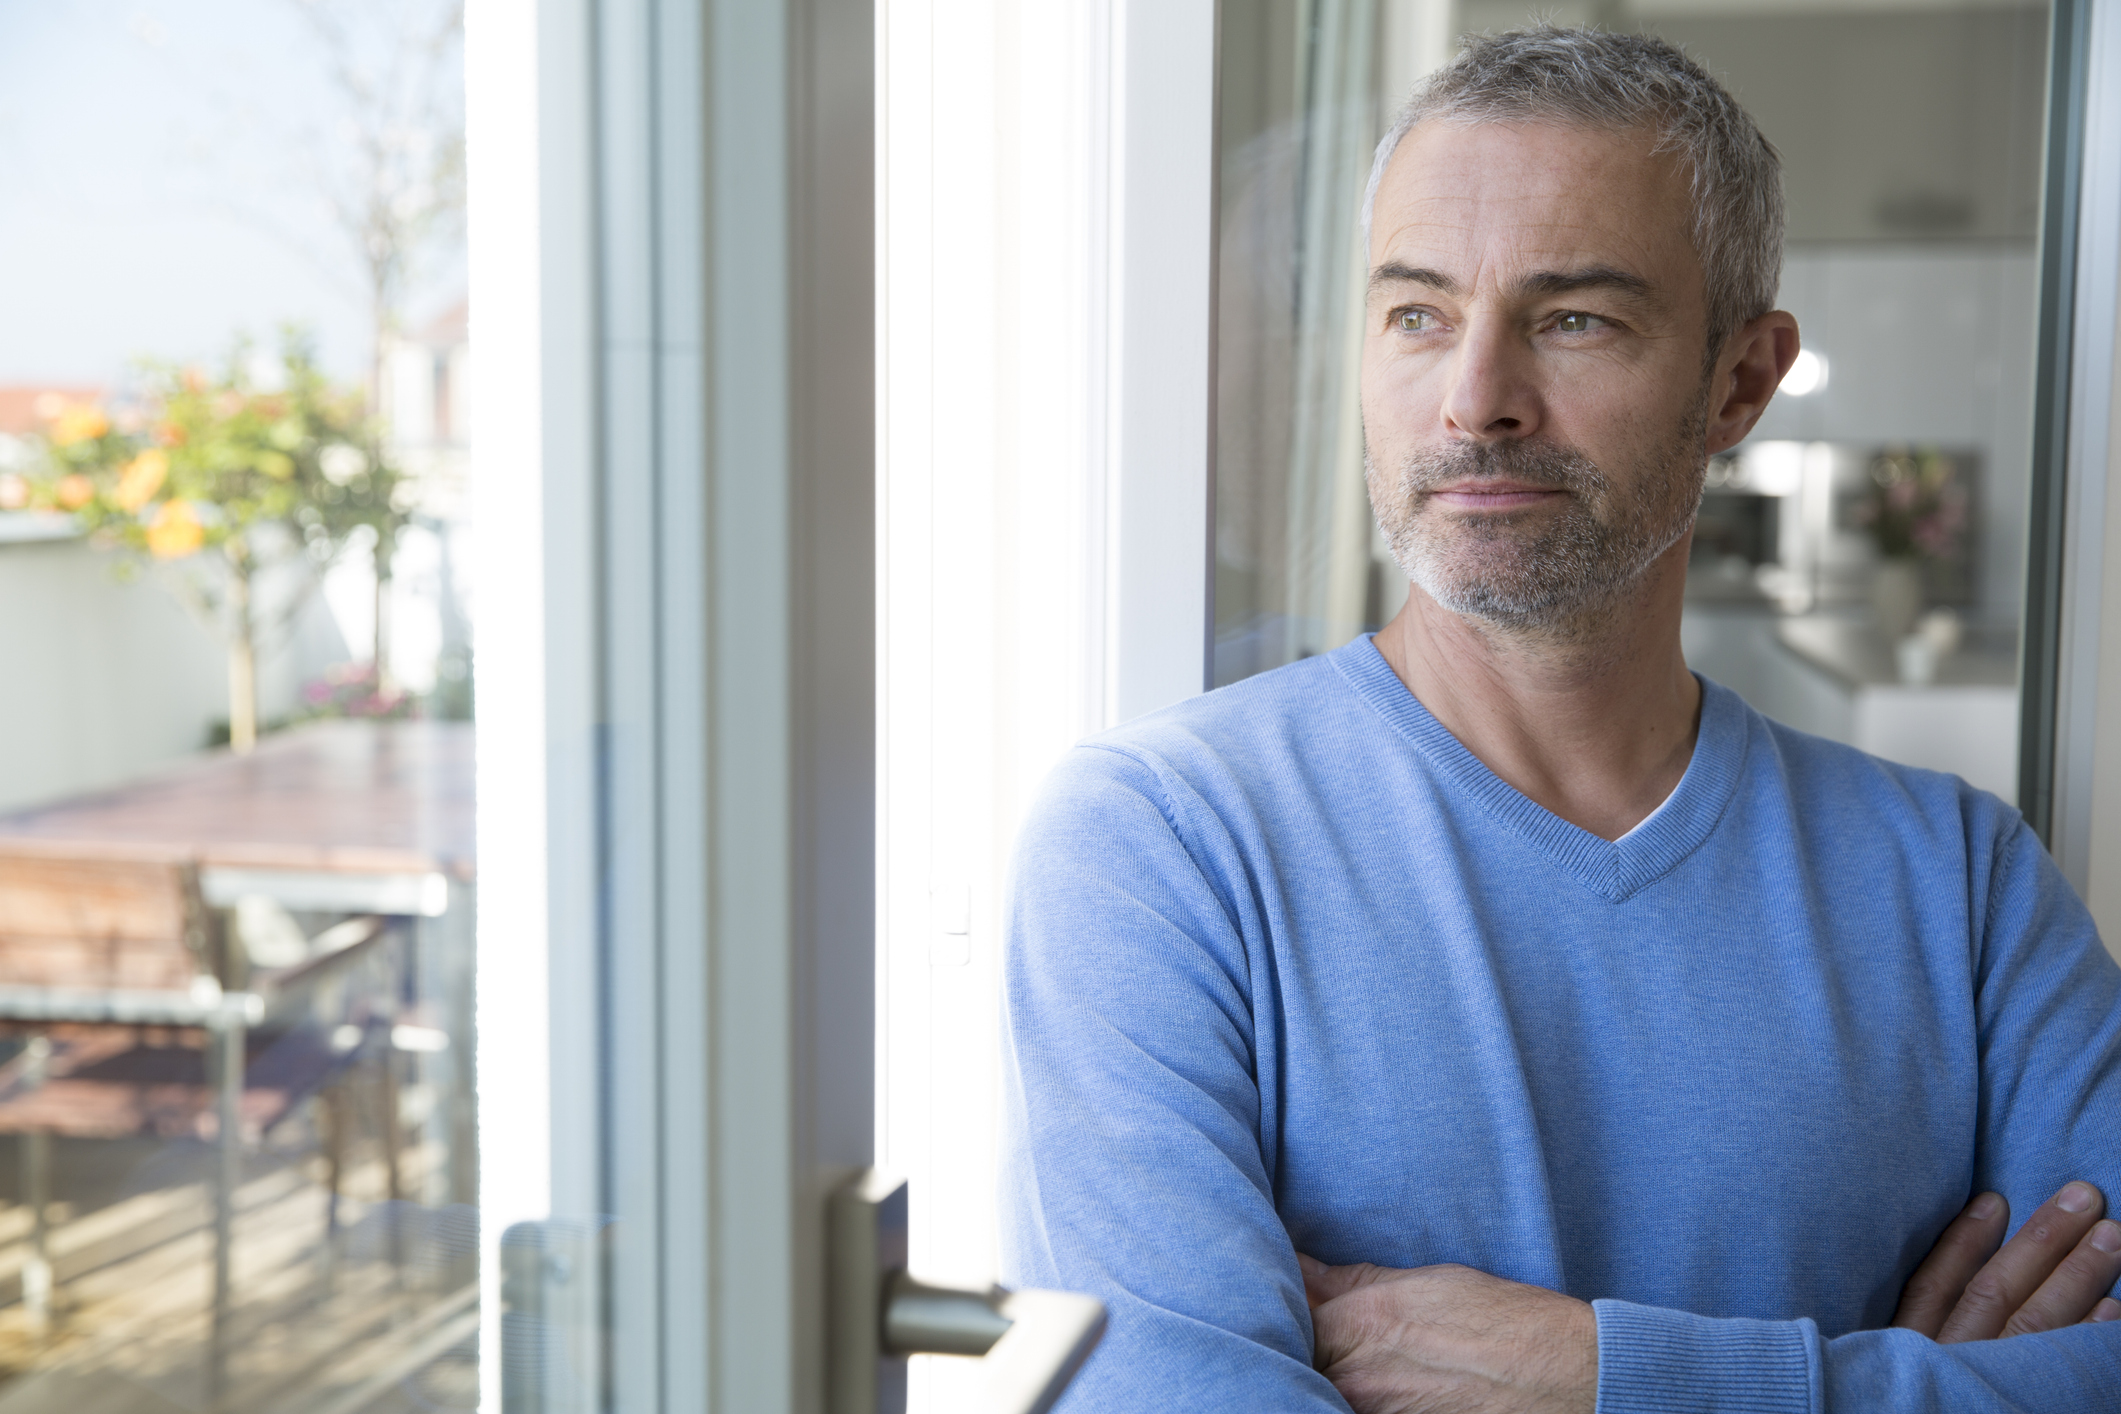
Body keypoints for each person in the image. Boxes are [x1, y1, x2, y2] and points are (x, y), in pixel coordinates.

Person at [999, 27, 2121, 1413]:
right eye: (1417, 316)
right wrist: (1904, 1387)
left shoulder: (1959, 885)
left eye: (1573, 318)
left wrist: (1616, 1377)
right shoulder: (1161, 848)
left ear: (1740, 381)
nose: (1475, 400)